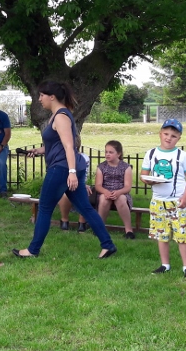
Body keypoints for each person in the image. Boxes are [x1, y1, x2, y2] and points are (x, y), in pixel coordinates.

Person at [13, 81, 118, 259]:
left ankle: (32, 250)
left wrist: (71, 173)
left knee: (45, 208)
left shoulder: (61, 117)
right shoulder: (58, 115)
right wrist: (39, 150)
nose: (39, 99)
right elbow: (58, 144)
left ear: (52, 97)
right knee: (85, 208)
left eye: (41, 96)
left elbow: (69, 146)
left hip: (62, 170)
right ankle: (108, 245)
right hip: (66, 168)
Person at [141, 119, 186, 278]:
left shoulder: (182, 156)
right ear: (160, 133)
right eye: (166, 134)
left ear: (179, 138)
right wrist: (148, 180)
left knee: (182, 234)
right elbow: (144, 175)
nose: (168, 138)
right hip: (158, 201)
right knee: (161, 234)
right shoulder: (151, 154)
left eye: (173, 135)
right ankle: (165, 264)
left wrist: (185, 197)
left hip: (177, 201)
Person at [95, 140, 135, 239]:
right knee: (104, 199)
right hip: (105, 192)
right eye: (106, 152)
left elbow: (127, 187)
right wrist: (105, 192)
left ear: (119, 154)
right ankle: (100, 228)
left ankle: (128, 230)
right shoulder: (101, 167)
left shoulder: (126, 167)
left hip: (121, 193)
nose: (107, 154)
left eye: (111, 152)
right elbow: (98, 185)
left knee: (120, 199)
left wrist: (118, 192)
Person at [57, 143, 92, 233]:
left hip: (80, 183)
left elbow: (84, 175)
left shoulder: (84, 158)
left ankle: (82, 223)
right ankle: (64, 221)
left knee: (85, 193)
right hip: (63, 184)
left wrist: (82, 184)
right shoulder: (60, 157)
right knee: (65, 194)